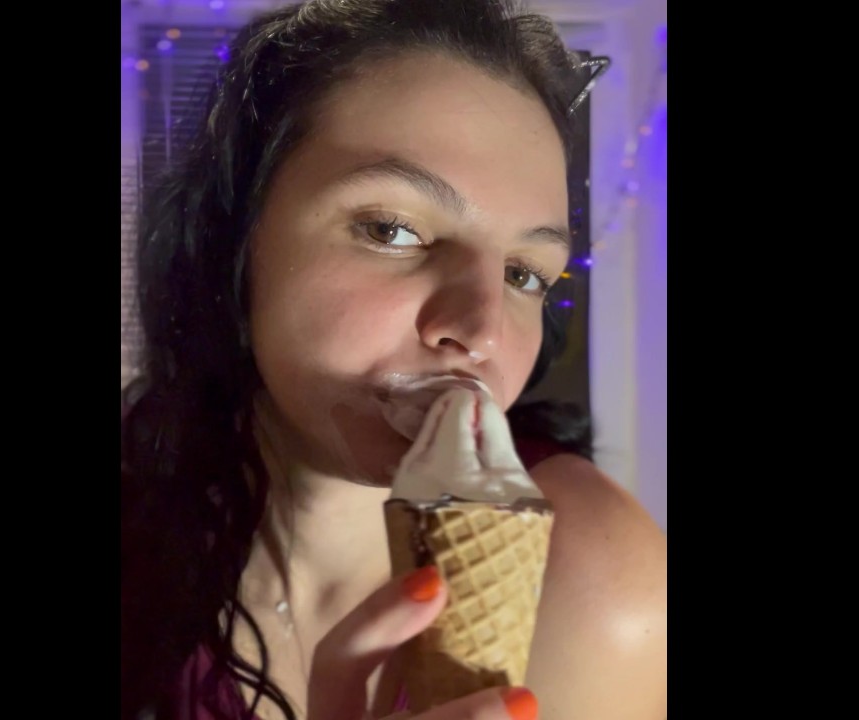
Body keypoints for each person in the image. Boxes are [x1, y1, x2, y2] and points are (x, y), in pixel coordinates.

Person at [120, 1, 667, 718]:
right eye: (393, 230)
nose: (481, 331)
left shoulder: (597, 584)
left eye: (524, 274)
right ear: (237, 241)